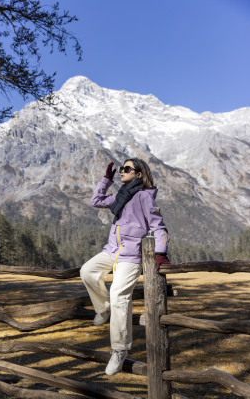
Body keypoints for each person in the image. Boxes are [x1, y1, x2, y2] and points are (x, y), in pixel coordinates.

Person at [80, 158, 170, 376]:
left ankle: (119, 349)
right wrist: (106, 179)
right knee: (87, 271)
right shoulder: (120, 196)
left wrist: (161, 253)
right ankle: (103, 309)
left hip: (131, 257)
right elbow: (95, 200)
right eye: (121, 169)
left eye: (127, 169)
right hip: (112, 251)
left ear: (139, 174)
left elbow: (159, 227)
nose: (122, 171)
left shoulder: (143, 197)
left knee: (119, 294)